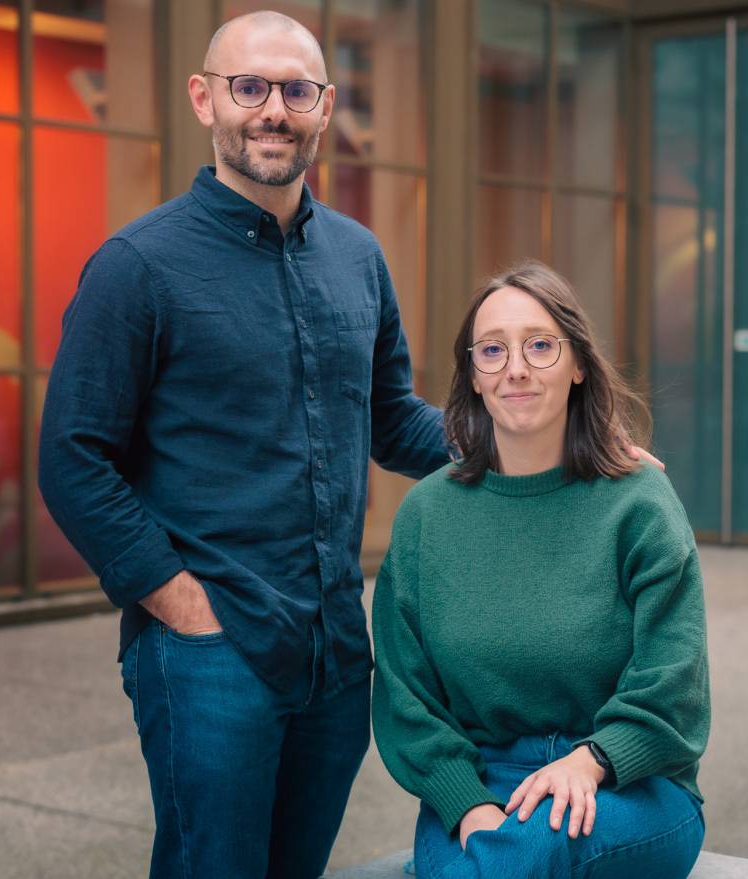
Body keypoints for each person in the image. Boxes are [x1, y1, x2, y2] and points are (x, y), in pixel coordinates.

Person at [39, 9, 661, 879]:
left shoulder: (357, 257)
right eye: (249, 87)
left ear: (325, 108)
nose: (273, 109)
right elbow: (72, 456)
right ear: (204, 99)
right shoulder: (137, 266)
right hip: (211, 650)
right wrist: (179, 602)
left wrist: (563, 445)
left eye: (297, 90)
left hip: (334, 651)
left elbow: (392, 418)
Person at [371, 260, 709, 879]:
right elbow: (404, 695)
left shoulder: (638, 503)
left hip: (625, 784)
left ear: (578, 364)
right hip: (484, 784)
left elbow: (673, 683)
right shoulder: (426, 515)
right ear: (474, 378)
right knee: (501, 855)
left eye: (540, 345)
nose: (516, 368)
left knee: (527, 852)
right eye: (492, 350)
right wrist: (467, 805)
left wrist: (589, 762)